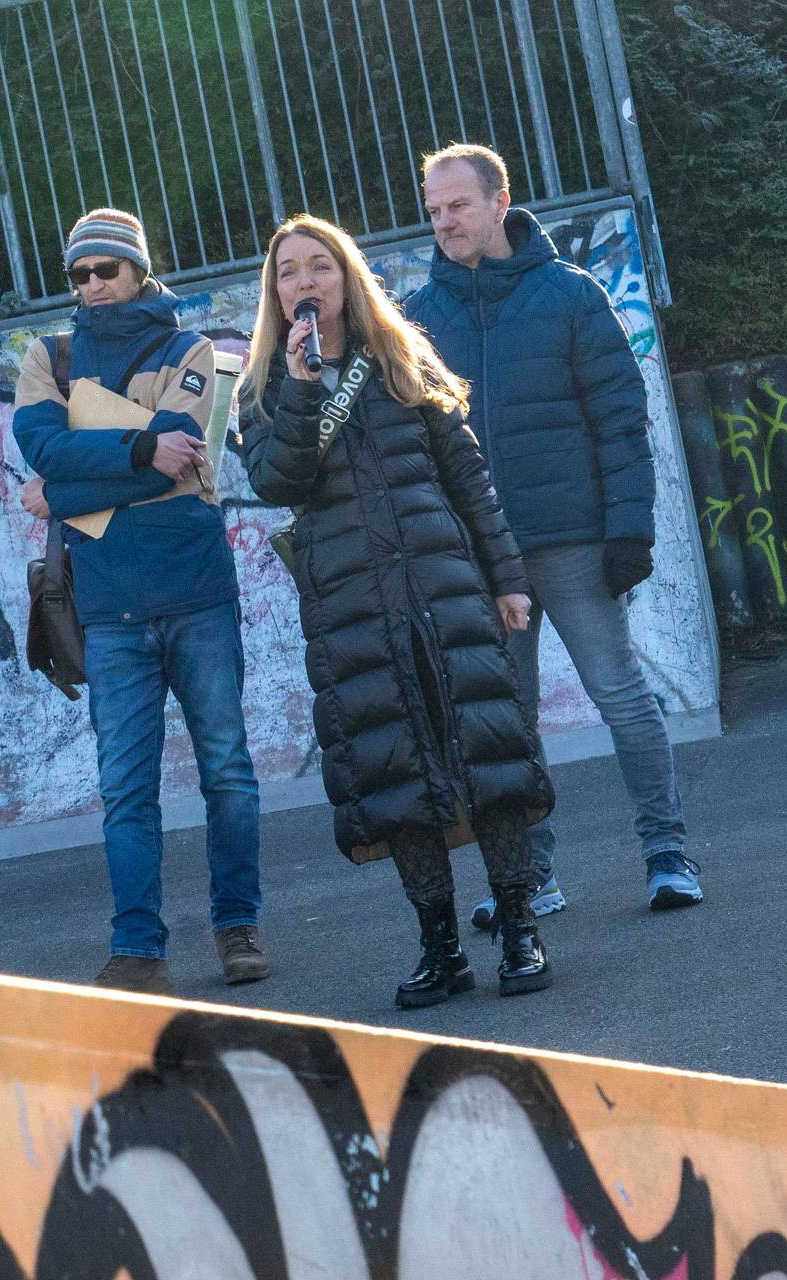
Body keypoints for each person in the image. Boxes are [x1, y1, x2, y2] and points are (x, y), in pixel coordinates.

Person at [238, 215, 556, 1008]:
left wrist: (507, 578)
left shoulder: (402, 359)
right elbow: (277, 483)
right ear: (275, 294)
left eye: (319, 267)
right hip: (352, 605)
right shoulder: (261, 389)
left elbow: (467, 478)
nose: (304, 282)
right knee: (395, 773)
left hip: (443, 585)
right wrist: (305, 389)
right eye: (288, 273)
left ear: (347, 278)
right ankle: (439, 945)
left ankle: (519, 924)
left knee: (487, 754)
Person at [407, 144, 701, 924]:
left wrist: (629, 530)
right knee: (508, 723)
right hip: (480, 559)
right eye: (433, 210)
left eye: (457, 205)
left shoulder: (570, 294)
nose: (444, 221)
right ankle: (533, 879)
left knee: (622, 697)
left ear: (499, 201)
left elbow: (619, 419)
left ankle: (667, 854)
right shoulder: (417, 317)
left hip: (572, 541)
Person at [9, 209, 266, 994]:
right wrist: (134, 446)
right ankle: (137, 948)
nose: (91, 287)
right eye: (79, 275)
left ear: (138, 271)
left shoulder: (189, 350)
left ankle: (237, 928)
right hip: (109, 606)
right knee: (125, 787)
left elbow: (176, 465)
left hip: (196, 596)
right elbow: (48, 447)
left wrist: (60, 492)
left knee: (226, 771)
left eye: (105, 271)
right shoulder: (47, 357)